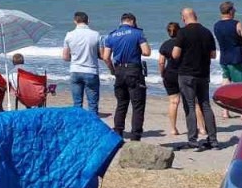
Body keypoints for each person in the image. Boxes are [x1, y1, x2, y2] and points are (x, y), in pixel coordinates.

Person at [171, 8, 220, 151]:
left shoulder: (183, 32)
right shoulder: (206, 32)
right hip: (203, 73)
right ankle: (213, 139)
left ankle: (192, 140)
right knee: (205, 105)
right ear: (196, 16)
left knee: (190, 106)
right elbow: (213, 55)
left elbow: (175, 54)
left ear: (183, 18)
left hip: (186, 73)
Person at [101, 12, 150, 141]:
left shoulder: (111, 35)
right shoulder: (138, 33)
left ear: (121, 21)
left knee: (121, 103)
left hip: (119, 70)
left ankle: (118, 131)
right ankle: (135, 135)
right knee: (138, 104)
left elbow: (105, 57)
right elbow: (147, 51)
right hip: (134, 70)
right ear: (132, 21)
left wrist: (112, 70)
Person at [159, 22, 207, 137]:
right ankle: (202, 128)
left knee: (173, 102)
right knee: (195, 102)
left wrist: (162, 73)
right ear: (179, 31)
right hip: (185, 73)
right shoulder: (185, 43)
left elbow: (161, 62)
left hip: (170, 74)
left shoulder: (165, 44)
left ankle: (173, 129)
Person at [213, 1, 242, 119]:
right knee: (241, 83)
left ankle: (225, 111)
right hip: (236, 57)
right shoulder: (237, 24)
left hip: (224, 56)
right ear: (230, 11)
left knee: (226, 82)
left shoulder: (216, 25)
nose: (235, 11)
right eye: (234, 10)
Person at [62, 11, 103, 113]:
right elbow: (102, 55)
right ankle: (93, 126)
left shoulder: (69, 35)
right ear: (88, 21)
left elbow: (65, 57)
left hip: (75, 70)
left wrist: (75, 55)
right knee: (93, 104)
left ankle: (78, 127)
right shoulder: (96, 35)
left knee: (77, 103)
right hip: (91, 71)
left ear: (75, 21)